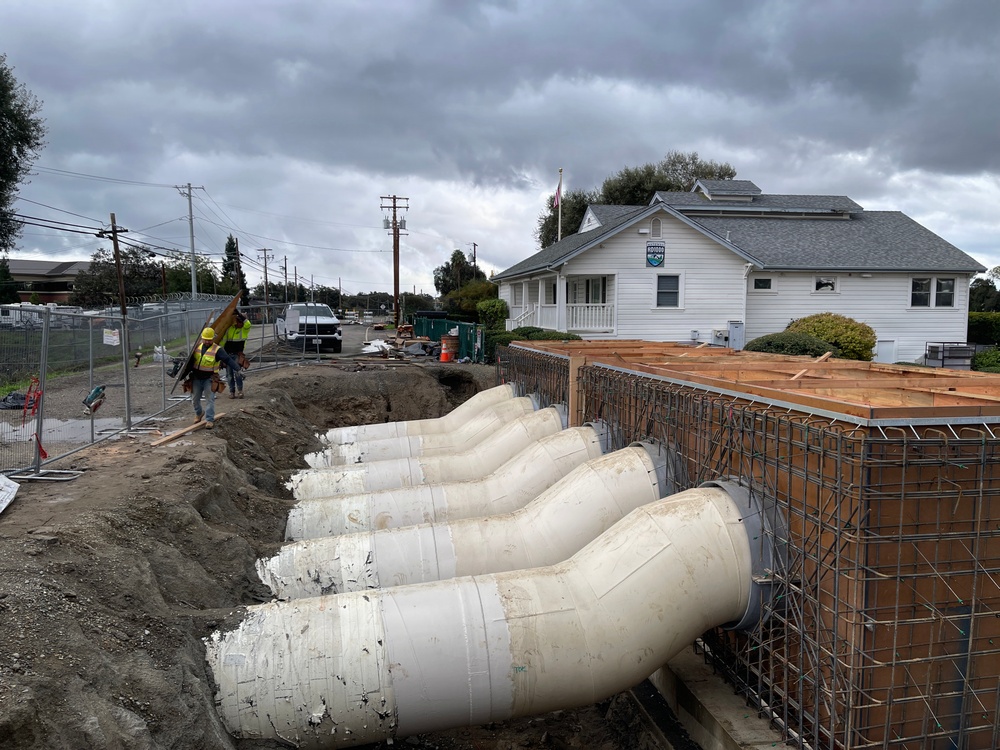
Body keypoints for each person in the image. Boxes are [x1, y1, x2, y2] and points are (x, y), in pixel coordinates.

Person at [186, 327, 237, 429]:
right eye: (205, 339)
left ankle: (209, 420)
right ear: (202, 338)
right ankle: (199, 413)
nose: (207, 342)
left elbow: (227, 360)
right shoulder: (197, 347)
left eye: (209, 340)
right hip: (196, 378)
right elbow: (190, 361)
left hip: (209, 379)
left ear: (213, 339)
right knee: (194, 399)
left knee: (210, 399)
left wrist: (238, 369)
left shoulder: (217, 350)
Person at [222, 309, 252, 399]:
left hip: (237, 354)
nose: (239, 323)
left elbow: (248, 324)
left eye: (240, 321)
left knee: (237, 373)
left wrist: (239, 314)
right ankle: (232, 392)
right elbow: (223, 341)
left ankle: (240, 391)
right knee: (229, 375)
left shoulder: (244, 329)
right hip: (228, 354)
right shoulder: (230, 329)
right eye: (237, 321)